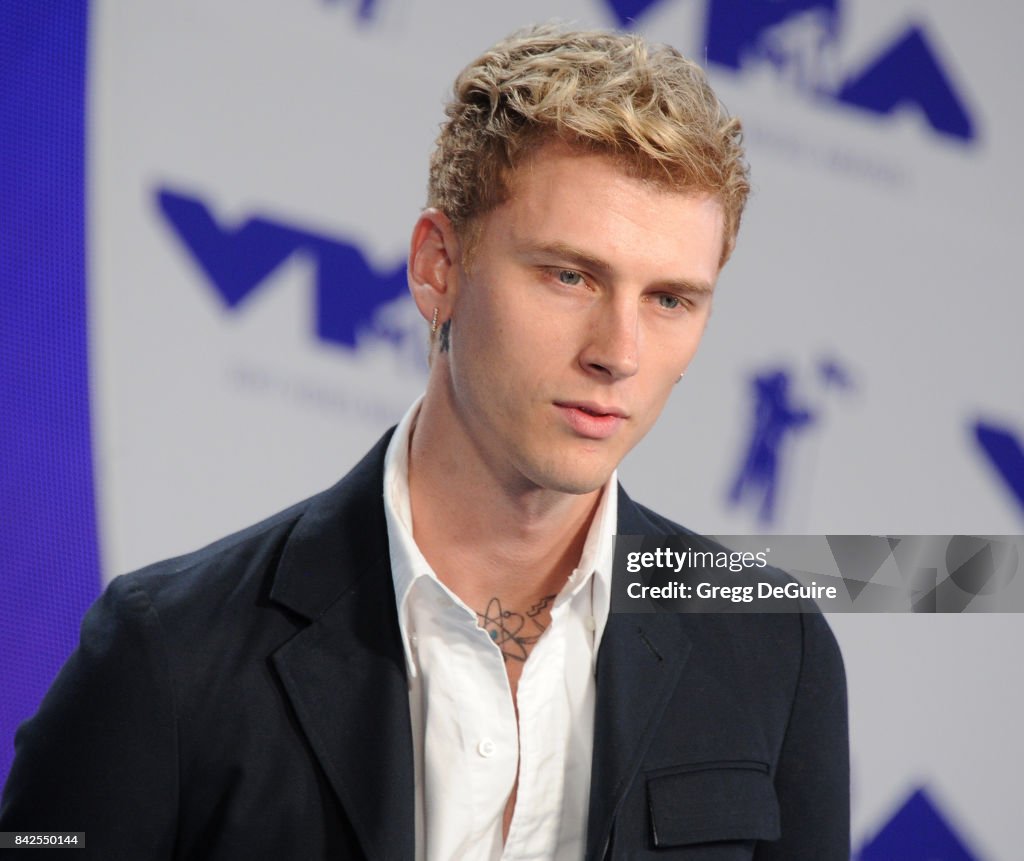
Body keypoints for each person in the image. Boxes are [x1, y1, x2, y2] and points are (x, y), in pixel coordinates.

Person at [0, 24, 848, 860]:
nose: (618, 353)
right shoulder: (170, 653)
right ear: (438, 266)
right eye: (569, 275)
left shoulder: (776, 650)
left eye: (670, 299)